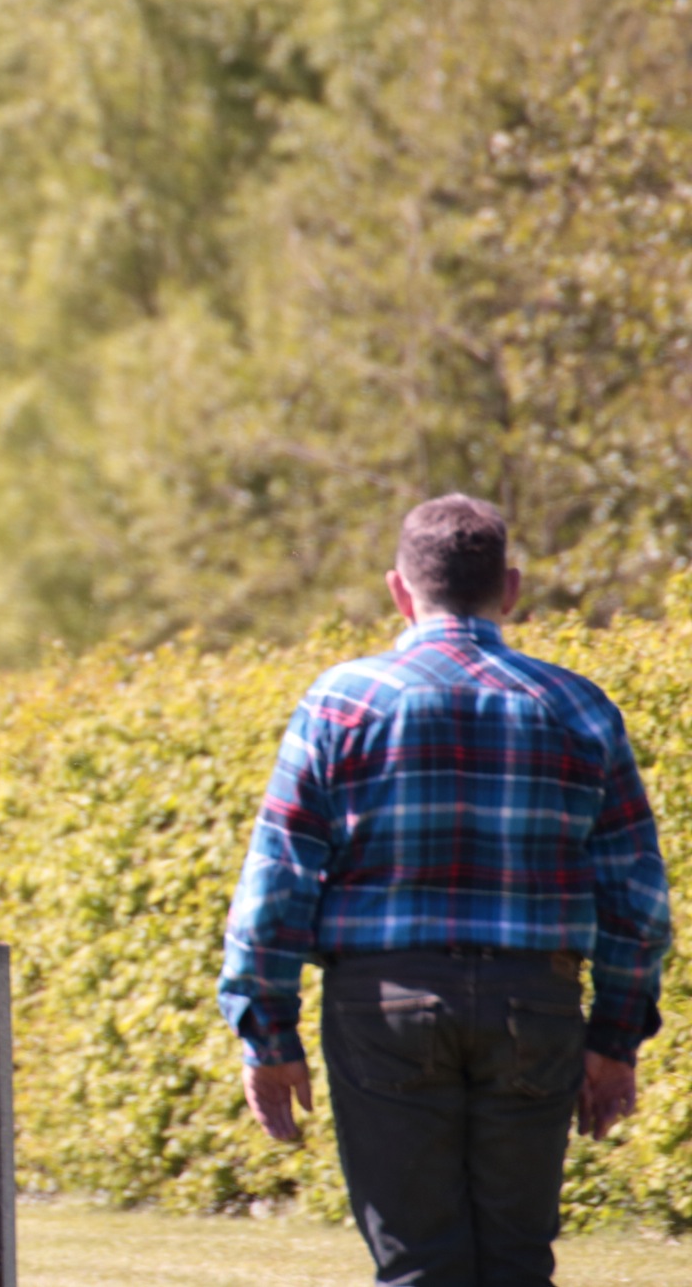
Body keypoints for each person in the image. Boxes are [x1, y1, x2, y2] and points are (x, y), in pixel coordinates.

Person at [218, 494, 673, 1286]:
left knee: (418, 1265)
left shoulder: (341, 701)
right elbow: (637, 895)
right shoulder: (580, 707)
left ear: (399, 590)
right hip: (536, 1001)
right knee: (518, 1263)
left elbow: (278, 878)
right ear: (511, 588)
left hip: (382, 1004)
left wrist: (268, 1032)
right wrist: (614, 1037)